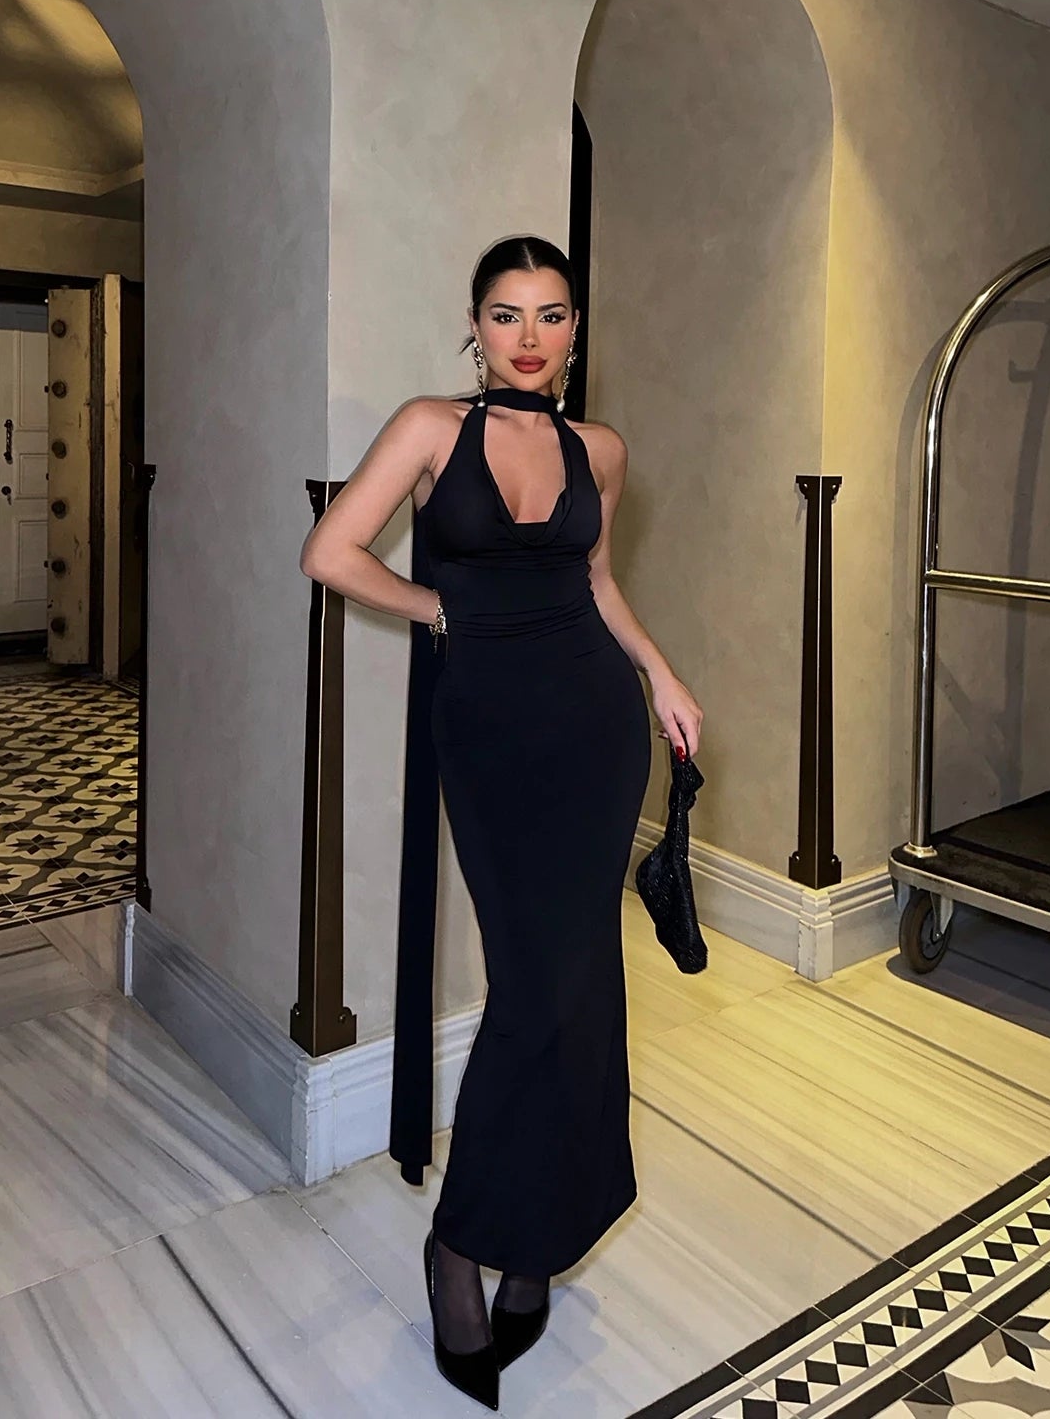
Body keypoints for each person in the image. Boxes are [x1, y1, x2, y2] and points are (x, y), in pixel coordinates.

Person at [300, 235, 702, 1408]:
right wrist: (440, 611)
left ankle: (539, 1239)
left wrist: (662, 677)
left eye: (553, 314)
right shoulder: (432, 428)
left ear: (576, 328)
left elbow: (598, 582)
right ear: (475, 327)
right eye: (507, 314)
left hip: (595, 727)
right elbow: (331, 552)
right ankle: (460, 1244)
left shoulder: (600, 450)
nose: (531, 337)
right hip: (488, 732)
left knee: (582, 990)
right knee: (534, 992)